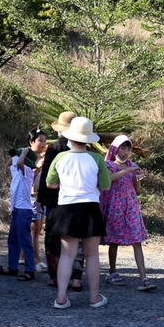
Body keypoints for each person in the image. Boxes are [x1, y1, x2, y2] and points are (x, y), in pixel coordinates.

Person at [45, 116, 111, 309]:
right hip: (90, 208)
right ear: (89, 138)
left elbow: (50, 184)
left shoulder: (60, 157)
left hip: (66, 208)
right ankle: (94, 298)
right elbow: (105, 186)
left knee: (67, 255)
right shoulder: (97, 158)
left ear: (70, 137)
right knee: (92, 255)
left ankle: (61, 298)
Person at [100, 135, 154, 291]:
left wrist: (137, 177)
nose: (125, 152)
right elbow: (109, 180)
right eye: (122, 148)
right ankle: (112, 272)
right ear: (115, 149)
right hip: (115, 207)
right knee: (114, 241)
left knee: (136, 241)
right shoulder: (108, 165)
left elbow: (136, 189)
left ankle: (144, 278)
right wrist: (128, 170)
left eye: (128, 149)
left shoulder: (132, 165)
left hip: (130, 206)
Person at [0, 128, 46, 280]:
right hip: (16, 209)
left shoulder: (27, 171)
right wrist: (16, 152)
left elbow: (19, 162)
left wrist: (24, 153)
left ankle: (29, 269)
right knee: (13, 239)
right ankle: (12, 267)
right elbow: (8, 165)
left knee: (25, 240)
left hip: (24, 209)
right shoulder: (17, 171)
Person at [38, 112, 75, 284]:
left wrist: (40, 198)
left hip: (54, 200)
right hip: (76, 200)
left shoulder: (54, 148)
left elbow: (47, 175)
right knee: (74, 238)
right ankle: (75, 277)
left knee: (52, 238)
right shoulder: (85, 148)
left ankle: (55, 276)